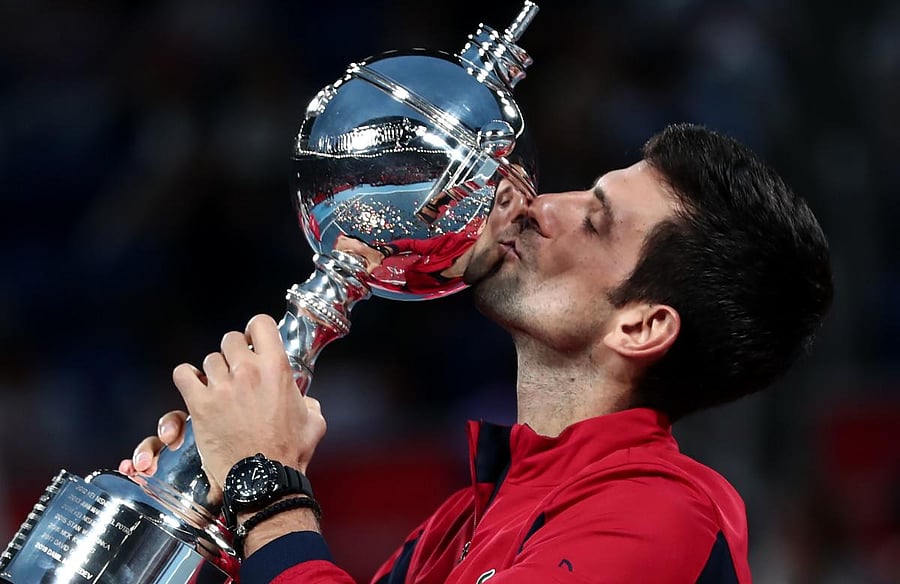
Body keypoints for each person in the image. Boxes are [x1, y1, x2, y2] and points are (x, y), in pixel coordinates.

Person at [120, 123, 833, 583]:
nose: (534, 205)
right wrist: (188, 529)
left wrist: (268, 489)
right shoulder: (465, 519)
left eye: (593, 219)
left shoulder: (664, 516)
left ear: (642, 326)